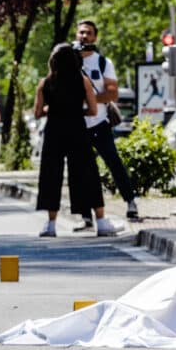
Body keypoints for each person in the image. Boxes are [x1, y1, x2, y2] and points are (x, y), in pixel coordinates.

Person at [35, 43, 114, 237]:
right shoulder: (82, 80)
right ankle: (101, 222)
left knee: (51, 174)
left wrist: (51, 110)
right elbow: (94, 110)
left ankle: (50, 224)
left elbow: (37, 112)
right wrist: (78, 110)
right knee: (87, 172)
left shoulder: (45, 83)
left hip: (54, 129)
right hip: (77, 128)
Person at [74, 20, 138, 229]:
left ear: (95, 37)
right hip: (78, 125)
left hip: (100, 123)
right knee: (81, 170)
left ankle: (130, 202)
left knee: (114, 162)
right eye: (81, 32)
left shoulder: (102, 62)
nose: (84, 36)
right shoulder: (68, 61)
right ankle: (85, 216)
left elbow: (112, 92)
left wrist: (88, 100)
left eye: (88, 33)